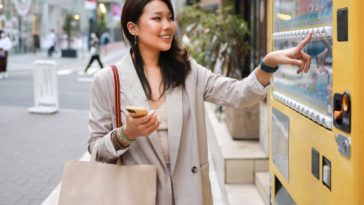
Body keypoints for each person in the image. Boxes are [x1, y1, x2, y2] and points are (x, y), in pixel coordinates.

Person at [87, 0, 312, 204]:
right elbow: (96, 149)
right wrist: (127, 134)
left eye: (170, 17)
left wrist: (268, 64)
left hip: (189, 194)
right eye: (157, 18)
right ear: (132, 28)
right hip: (136, 195)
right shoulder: (108, 80)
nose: (168, 26)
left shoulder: (188, 71)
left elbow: (238, 93)